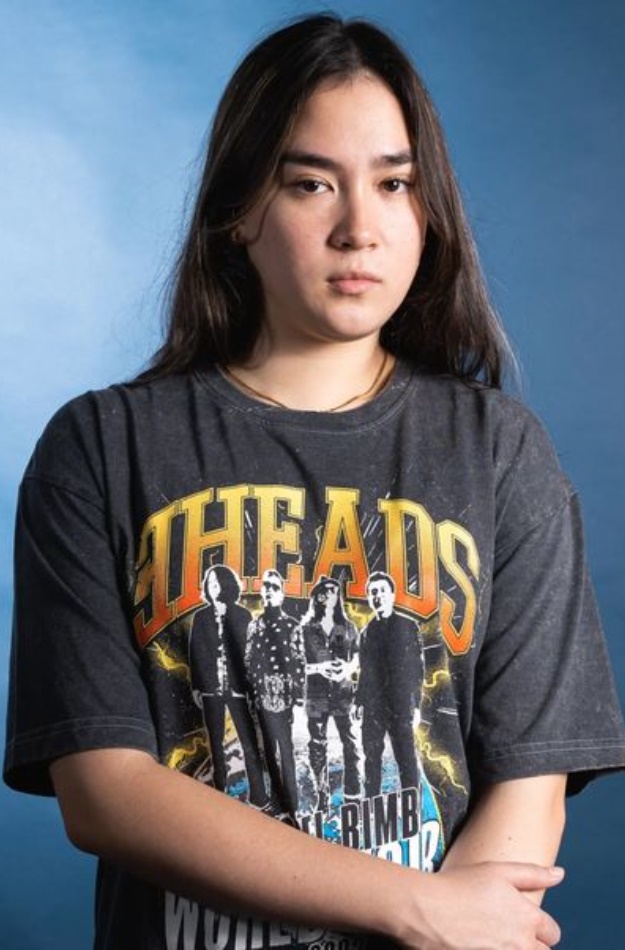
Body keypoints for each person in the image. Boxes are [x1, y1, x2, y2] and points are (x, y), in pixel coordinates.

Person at [4, 12, 625, 950]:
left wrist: (458, 925)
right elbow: (104, 790)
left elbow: (529, 778)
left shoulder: (500, 451)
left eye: (394, 183)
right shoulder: (103, 446)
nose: (358, 230)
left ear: (428, 211)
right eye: (310, 184)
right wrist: (416, 909)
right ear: (239, 211)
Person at [188, 564, 269, 806]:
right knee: (216, 744)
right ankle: (220, 792)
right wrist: (197, 685)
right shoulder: (201, 617)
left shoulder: (242, 615)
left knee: (248, 742)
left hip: (239, 690)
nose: (215, 588)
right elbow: (195, 652)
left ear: (228, 586)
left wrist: (253, 688)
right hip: (211, 689)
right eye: (211, 584)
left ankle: (259, 794)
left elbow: (252, 655)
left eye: (219, 583)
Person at [245, 569, 306, 816]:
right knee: (267, 749)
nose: (269, 591)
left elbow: (299, 662)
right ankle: (273, 799)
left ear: (282, 594)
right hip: (262, 695)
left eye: (274, 587)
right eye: (266, 586)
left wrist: (298, 696)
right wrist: (252, 692)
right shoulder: (254, 625)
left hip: (284, 696)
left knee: (285, 747)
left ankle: (292, 799)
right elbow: (249, 659)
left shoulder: (292, 626)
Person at [357, 572, 422, 799]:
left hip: (400, 704)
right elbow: (365, 671)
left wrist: (416, 704)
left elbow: (417, 669)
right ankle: (371, 802)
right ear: (369, 597)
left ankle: (412, 801)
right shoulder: (366, 632)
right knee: (371, 757)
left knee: (406, 757)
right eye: (373, 592)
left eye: (383, 591)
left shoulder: (408, 626)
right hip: (373, 706)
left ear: (393, 595)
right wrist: (358, 702)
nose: (378, 596)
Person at [301, 575, 360, 812]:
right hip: (316, 695)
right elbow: (297, 664)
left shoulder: (348, 627)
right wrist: (319, 668)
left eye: (334, 591)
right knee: (317, 745)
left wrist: (347, 668)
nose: (329, 595)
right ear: (317, 596)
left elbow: (358, 656)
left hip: (343, 693)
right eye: (325, 591)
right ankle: (322, 795)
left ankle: (353, 795)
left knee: (350, 743)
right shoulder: (306, 629)